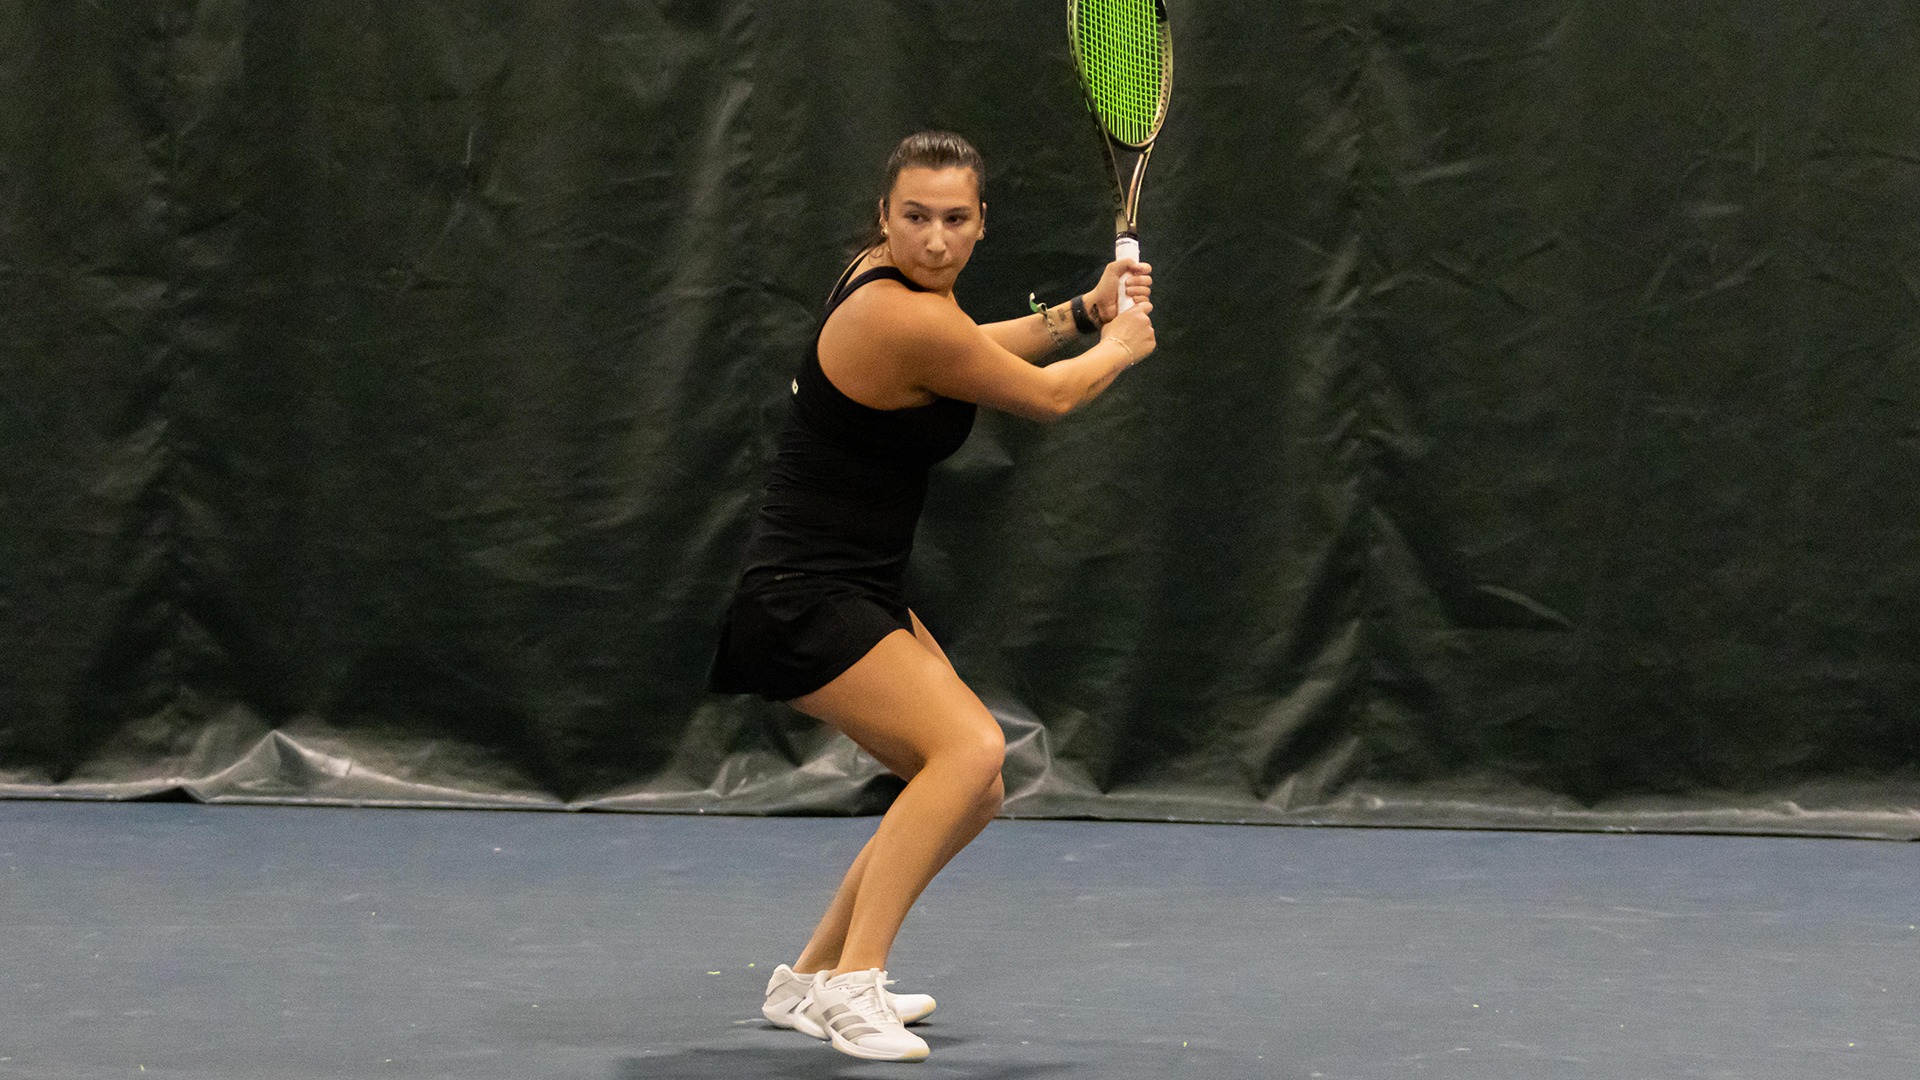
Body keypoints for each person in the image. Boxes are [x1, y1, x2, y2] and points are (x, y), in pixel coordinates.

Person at [708, 130, 1156, 1063]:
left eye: (955, 219)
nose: (936, 238)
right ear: (884, 217)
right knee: (971, 748)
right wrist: (1119, 344)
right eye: (915, 217)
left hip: (857, 582)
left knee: (974, 788)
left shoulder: (915, 307)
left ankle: (807, 982)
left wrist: (1083, 311)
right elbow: (1046, 398)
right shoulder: (894, 312)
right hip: (803, 596)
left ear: (983, 222)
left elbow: (968, 353)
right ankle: (854, 984)